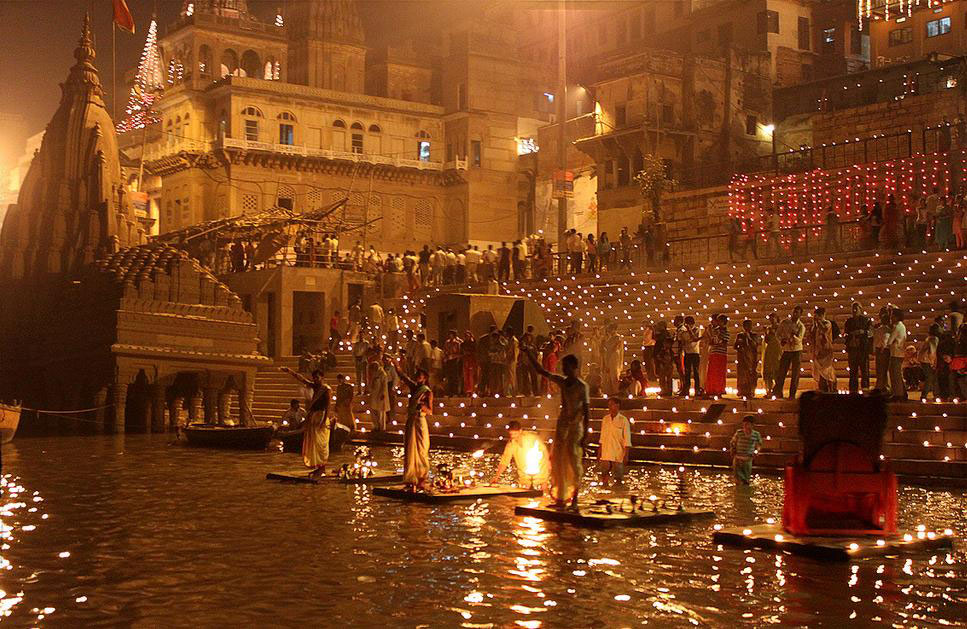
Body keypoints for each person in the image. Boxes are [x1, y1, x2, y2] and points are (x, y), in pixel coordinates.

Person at [524, 350, 589, 510]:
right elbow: (541, 371)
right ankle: (560, 497)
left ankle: (575, 499)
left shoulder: (582, 387)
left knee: (573, 461)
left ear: (574, 367)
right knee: (558, 461)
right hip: (562, 425)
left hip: (575, 427)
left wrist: (585, 435)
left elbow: (587, 412)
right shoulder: (562, 381)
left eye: (566, 367)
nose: (563, 370)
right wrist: (528, 353)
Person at [280, 367, 333, 477]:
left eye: (317, 377)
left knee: (321, 444)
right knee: (313, 443)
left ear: (322, 377)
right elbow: (302, 380)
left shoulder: (326, 389)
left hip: (321, 417)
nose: (315, 380)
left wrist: (323, 421)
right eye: (314, 378)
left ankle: (322, 468)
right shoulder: (315, 386)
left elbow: (328, 406)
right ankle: (317, 467)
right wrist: (290, 371)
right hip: (313, 416)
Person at [397, 365, 433, 491]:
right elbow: (403, 377)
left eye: (420, 375)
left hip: (419, 421)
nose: (417, 377)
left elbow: (430, 410)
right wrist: (395, 364)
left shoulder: (427, 391)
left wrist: (421, 407)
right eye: (416, 375)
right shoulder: (414, 388)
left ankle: (422, 478)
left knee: (421, 449)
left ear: (425, 378)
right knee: (409, 449)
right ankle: (411, 477)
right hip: (411, 421)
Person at [491, 420, 550, 489]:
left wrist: (549, 463)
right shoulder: (511, 444)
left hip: (540, 472)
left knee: (543, 494)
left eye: (515, 434)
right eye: (511, 434)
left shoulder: (532, 437)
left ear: (520, 431)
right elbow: (505, 461)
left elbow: (544, 450)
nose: (513, 437)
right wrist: (496, 476)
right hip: (524, 475)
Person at [771, 306, 805, 399]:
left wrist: (793, 337)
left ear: (800, 314)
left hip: (796, 351)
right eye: (794, 312)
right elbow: (777, 334)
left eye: (797, 313)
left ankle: (792, 394)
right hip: (786, 350)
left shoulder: (801, 326)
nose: (794, 314)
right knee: (781, 372)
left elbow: (799, 339)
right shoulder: (785, 322)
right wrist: (781, 340)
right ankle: (778, 392)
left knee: (795, 374)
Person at [597, 398, 631, 486]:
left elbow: (627, 439)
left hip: (618, 453)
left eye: (611, 405)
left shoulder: (623, 420)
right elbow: (602, 437)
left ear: (617, 406)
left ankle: (618, 493)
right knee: (604, 475)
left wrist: (626, 456)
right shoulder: (605, 419)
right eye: (609, 405)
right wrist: (599, 452)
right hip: (606, 452)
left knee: (618, 478)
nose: (609, 407)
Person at [844, 302, 872, 394]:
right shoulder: (849, 321)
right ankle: (853, 391)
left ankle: (865, 389)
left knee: (865, 371)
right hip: (852, 349)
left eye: (856, 309)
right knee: (853, 372)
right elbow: (846, 333)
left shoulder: (866, 320)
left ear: (860, 309)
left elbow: (870, 333)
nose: (854, 311)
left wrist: (862, 332)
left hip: (862, 349)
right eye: (853, 309)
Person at [808, 307, 837, 392]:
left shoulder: (827, 323)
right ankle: (822, 389)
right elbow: (811, 336)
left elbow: (824, 330)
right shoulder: (815, 326)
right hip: (818, 351)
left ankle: (832, 388)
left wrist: (818, 322)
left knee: (827, 370)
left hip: (826, 351)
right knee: (819, 371)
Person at [730, 416, 762, 485]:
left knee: (746, 480)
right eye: (744, 424)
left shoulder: (756, 434)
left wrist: (756, 451)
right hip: (738, 458)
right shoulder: (739, 433)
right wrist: (733, 450)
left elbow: (758, 445)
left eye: (747, 424)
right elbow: (733, 442)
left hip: (748, 459)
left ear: (752, 425)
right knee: (738, 480)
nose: (745, 426)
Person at [734, 319, 760, 399]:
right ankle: (742, 391)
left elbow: (755, 345)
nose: (748, 327)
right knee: (742, 375)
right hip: (742, 358)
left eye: (749, 326)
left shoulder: (754, 335)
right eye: (746, 326)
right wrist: (739, 347)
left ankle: (751, 391)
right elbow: (735, 346)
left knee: (751, 374)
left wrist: (749, 338)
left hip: (751, 357)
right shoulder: (740, 335)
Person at [705, 314, 729, 396]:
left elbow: (722, 342)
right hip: (714, 352)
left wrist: (716, 341)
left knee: (719, 372)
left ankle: (719, 389)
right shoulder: (715, 330)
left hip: (721, 353)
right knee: (712, 372)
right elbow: (712, 341)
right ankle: (712, 389)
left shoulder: (725, 331)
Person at [887, 308, 908, 400]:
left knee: (895, 374)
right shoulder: (902, 326)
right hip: (900, 353)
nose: (891, 317)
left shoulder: (896, 327)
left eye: (892, 315)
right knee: (898, 374)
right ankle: (902, 392)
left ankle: (898, 394)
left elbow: (890, 340)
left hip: (895, 353)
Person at [678, 316, 701, 396]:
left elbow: (695, 339)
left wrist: (690, 330)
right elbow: (682, 341)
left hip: (695, 353)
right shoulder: (683, 332)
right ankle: (686, 389)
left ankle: (697, 389)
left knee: (696, 372)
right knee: (687, 372)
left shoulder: (697, 329)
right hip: (687, 353)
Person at [600, 323, 625, 395]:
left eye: (610, 329)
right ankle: (610, 391)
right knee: (608, 374)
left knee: (614, 374)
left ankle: (615, 391)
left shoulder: (617, 337)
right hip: (609, 356)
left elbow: (615, 348)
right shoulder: (609, 338)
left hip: (614, 357)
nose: (609, 331)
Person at [367, 358, 390, 432]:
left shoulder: (383, 374)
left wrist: (383, 394)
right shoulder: (374, 374)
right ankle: (375, 426)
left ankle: (382, 427)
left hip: (380, 396)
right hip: (374, 395)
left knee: (381, 413)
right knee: (373, 411)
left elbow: (384, 386)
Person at [918, 324, 940, 401]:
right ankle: (924, 396)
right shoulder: (934, 339)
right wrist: (933, 362)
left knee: (932, 378)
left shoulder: (929, 338)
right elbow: (932, 351)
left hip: (924, 359)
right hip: (927, 360)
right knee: (930, 378)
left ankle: (936, 394)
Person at [873, 307, 892, 391]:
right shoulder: (888, 330)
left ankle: (880, 385)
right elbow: (885, 340)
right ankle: (885, 386)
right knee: (885, 369)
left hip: (879, 349)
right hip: (884, 350)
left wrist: (875, 349)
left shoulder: (878, 330)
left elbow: (875, 340)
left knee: (880, 369)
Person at [761, 312, 781, 394]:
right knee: (768, 370)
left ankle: (778, 390)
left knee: (777, 370)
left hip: (777, 349)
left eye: (773, 318)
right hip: (769, 350)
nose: (772, 320)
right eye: (770, 318)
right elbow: (767, 340)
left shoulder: (780, 327)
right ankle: (769, 390)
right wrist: (766, 332)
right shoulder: (769, 329)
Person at [461, 331, 478, 396]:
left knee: (471, 376)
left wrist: (469, 353)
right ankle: (466, 390)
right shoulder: (462, 344)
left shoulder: (473, 344)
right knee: (466, 376)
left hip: (471, 361)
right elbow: (461, 352)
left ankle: (471, 390)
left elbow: (475, 352)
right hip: (465, 361)